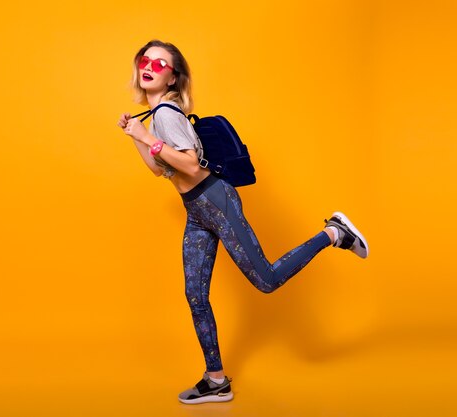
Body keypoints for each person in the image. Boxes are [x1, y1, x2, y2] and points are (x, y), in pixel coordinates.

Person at [117, 40, 369, 405]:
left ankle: (334, 232)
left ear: (173, 76)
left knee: (265, 280)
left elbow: (190, 164)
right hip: (197, 209)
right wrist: (135, 138)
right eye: (145, 60)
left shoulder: (167, 115)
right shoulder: (154, 117)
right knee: (196, 295)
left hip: (215, 200)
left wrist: (147, 139)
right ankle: (215, 379)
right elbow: (160, 170)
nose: (150, 66)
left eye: (160, 63)